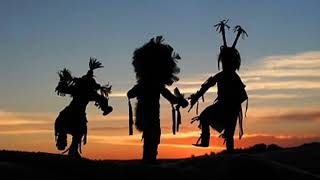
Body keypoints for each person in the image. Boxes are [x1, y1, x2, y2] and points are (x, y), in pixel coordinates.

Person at [189, 20, 248, 153]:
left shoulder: (232, 77)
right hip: (226, 107)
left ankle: (227, 154)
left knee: (228, 134)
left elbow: (243, 95)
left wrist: (232, 104)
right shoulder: (223, 76)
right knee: (206, 117)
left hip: (230, 108)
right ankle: (206, 142)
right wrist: (196, 96)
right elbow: (207, 85)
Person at [127, 36, 188, 163]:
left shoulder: (149, 84)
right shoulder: (152, 84)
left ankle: (149, 161)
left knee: (152, 139)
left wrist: (179, 101)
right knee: (152, 138)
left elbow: (130, 94)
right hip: (149, 116)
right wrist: (179, 101)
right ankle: (149, 162)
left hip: (151, 116)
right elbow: (131, 94)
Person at [54, 57, 113, 158]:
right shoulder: (90, 93)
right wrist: (106, 108)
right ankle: (71, 148)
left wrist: (63, 81)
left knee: (77, 130)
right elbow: (102, 100)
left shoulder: (77, 89)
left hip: (66, 114)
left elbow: (63, 89)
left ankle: (68, 144)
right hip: (77, 116)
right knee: (80, 131)